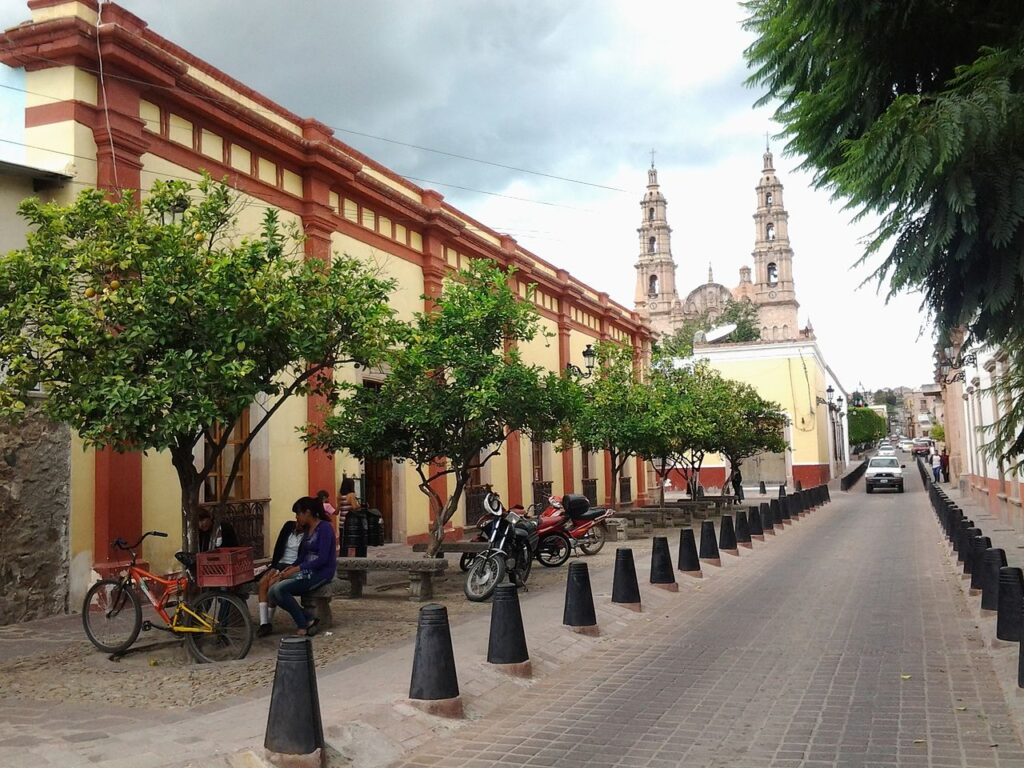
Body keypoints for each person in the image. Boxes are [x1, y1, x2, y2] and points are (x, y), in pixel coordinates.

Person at [267, 496, 337, 636]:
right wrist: (290, 567)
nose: (297, 517)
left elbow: (323, 559)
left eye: (298, 514)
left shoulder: (325, 529)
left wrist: (297, 569)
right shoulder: (307, 530)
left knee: (280, 589)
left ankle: (302, 623)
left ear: (308, 512)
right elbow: (302, 556)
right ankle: (309, 618)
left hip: (321, 572)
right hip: (305, 569)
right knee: (272, 591)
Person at [255, 503, 309, 637]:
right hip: (279, 563)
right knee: (262, 583)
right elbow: (279, 546)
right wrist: (273, 566)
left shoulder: (308, 536)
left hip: (292, 566)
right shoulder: (288, 527)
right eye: (296, 519)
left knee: (273, 586)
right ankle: (264, 623)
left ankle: (268, 622)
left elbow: (303, 557)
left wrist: (287, 570)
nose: (297, 522)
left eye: (299, 521)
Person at [337, 477, 359, 553]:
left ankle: (342, 554)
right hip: (349, 522)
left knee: (342, 541)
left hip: (341, 521)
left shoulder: (339, 496)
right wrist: (359, 505)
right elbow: (354, 507)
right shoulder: (351, 495)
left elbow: (338, 509)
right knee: (350, 540)